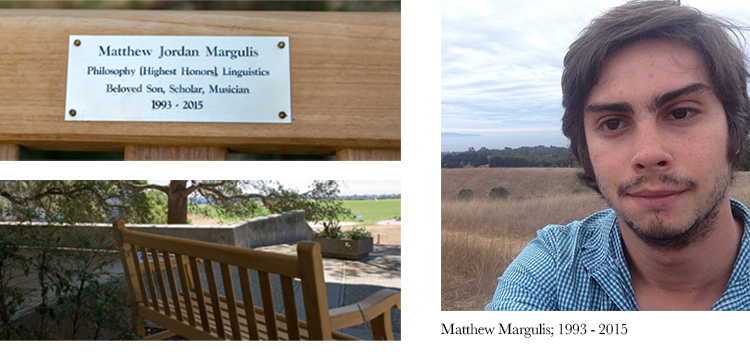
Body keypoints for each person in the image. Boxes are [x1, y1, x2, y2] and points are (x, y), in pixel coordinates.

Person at [485, 0, 750, 311]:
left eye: (680, 113)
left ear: (735, 128)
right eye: (612, 123)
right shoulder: (552, 272)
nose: (649, 154)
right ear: (583, 148)